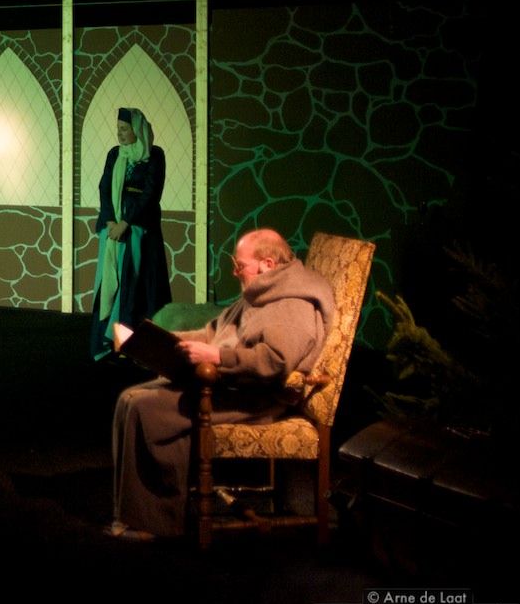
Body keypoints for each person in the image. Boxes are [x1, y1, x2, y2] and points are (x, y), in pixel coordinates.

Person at [107, 228, 336, 539]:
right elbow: (213, 332)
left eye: (240, 265)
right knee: (130, 399)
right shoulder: (261, 292)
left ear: (267, 264)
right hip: (227, 386)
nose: (235, 272)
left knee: (145, 409)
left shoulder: (290, 304)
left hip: (256, 398)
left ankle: (155, 523)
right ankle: (132, 515)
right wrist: (153, 340)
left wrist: (217, 356)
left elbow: (274, 361)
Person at [91, 107, 170, 359]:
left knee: (138, 286)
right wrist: (111, 222)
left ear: (137, 129)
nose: (120, 133)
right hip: (113, 229)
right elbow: (105, 188)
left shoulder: (154, 155)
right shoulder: (115, 154)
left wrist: (126, 222)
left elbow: (151, 193)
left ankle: (138, 345)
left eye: (124, 129)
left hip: (140, 230)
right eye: (118, 129)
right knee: (112, 283)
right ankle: (111, 340)